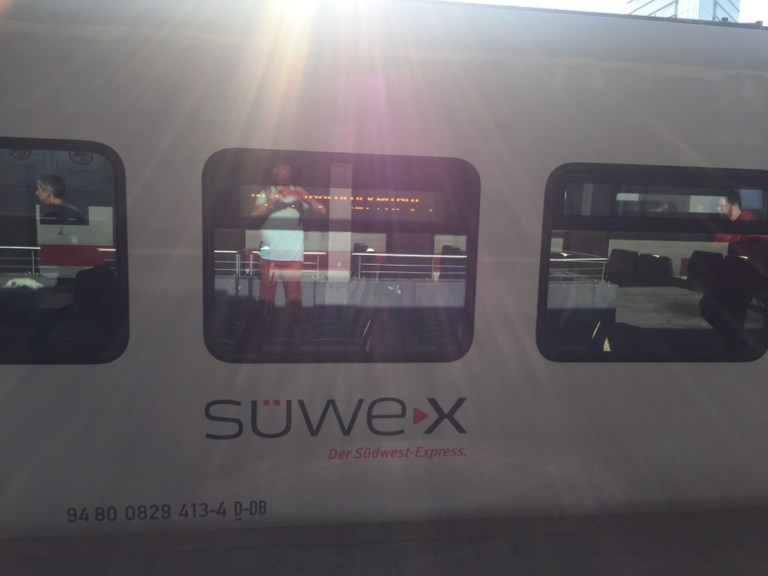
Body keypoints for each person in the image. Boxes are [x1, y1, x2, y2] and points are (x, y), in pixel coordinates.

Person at [251, 163, 325, 338]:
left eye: (287, 174)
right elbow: (255, 214)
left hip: (293, 254)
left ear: (290, 174)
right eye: (281, 174)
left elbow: (322, 210)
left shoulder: (299, 192)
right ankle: (264, 331)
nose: (284, 177)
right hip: (269, 254)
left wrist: (306, 198)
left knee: (293, 295)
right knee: (266, 295)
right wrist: (276, 199)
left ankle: (292, 332)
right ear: (275, 174)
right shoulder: (266, 193)